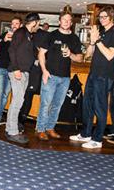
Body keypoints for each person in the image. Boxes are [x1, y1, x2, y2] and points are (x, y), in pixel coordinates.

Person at [70, 6, 114, 149]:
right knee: (87, 105)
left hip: (105, 76)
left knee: (100, 107)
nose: (102, 19)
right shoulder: (102, 32)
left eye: (105, 16)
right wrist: (92, 42)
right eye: (100, 17)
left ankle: (97, 138)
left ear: (112, 17)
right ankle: (86, 133)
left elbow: (110, 55)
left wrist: (97, 40)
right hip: (94, 73)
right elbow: (88, 54)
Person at [35, 10, 83, 140]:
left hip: (65, 78)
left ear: (71, 23)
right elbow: (41, 54)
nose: (66, 22)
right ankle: (40, 129)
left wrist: (71, 55)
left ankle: (50, 128)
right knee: (46, 104)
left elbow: (79, 58)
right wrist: (44, 71)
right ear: (59, 21)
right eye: (64, 20)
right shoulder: (51, 35)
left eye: (68, 20)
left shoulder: (74, 38)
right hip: (50, 76)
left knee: (57, 105)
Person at [5, 13, 41, 144]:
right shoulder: (21, 32)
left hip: (24, 72)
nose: (39, 25)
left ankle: (10, 128)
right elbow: (12, 50)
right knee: (18, 102)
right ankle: (13, 132)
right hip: (17, 71)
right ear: (34, 22)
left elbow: (29, 54)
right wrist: (16, 69)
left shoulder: (29, 35)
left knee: (17, 101)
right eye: (38, 23)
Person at [0, 17, 21, 127]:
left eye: (16, 23)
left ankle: (0, 116)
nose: (14, 25)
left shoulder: (21, 37)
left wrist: (14, 41)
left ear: (20, 25)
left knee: (5, 94)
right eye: (12, 23)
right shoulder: (4, 34)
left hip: (13, 69)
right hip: (1, 67)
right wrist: (4, 40)